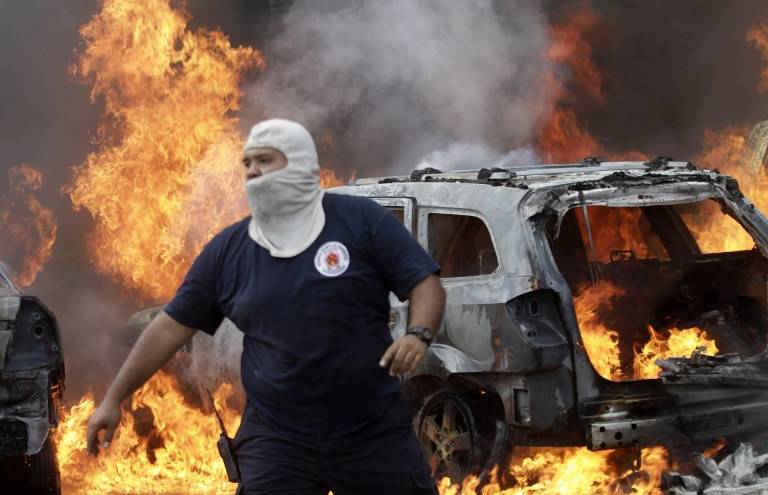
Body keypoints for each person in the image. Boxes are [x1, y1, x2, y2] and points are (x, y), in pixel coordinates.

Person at [86, 118, 446, 495]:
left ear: (301, 163)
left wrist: (419, 334)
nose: (252, 170)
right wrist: (114, 398)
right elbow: (169, 327)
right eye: (247, 163)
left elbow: (425, 283)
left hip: (369, 427)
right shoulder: (230, 250)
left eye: (264, 160)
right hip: (279, 438)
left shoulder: (361, 221)